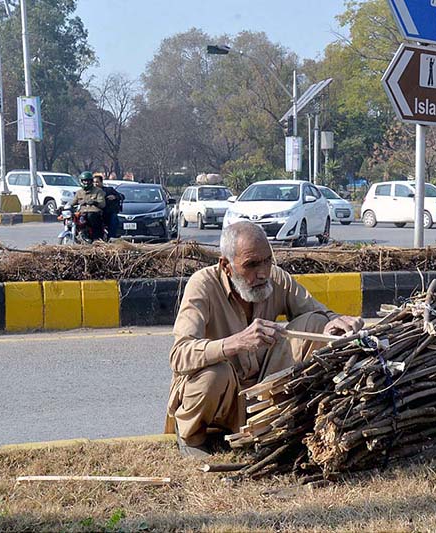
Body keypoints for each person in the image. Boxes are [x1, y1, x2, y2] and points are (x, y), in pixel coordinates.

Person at [167, 221, 364, 457]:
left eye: (267, 261)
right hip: (222, 394)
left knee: (315, 323)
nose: (262, 273)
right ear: (226, 266)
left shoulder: (276, 278)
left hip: (258, 393)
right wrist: (235, 342)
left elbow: (319, 314)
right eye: (250, 265)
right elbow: (179, 355)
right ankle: (196, 437)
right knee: (215, 374)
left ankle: (270, 423)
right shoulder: (203, 285)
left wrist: (336, 323)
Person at [71, 171, 106, 242]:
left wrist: (95, 202)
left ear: (91, 181)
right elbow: (73, 203)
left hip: (94, 213)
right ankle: (80, 234)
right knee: (73, 218)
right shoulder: (79, 192)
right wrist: (64, 207)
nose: (86, 182)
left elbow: (102, 204)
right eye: (84, 181)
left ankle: (97, 238)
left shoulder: (98, 191)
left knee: (91, 216)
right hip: (82, 213)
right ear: (81, 181)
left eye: (88, 181)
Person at [93, 174, 123, 239]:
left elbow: (121, 196)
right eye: (94, 182)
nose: (95, 184)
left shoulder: (109, 190)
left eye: (97, 182)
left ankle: (111, 237)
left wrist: (114, 197)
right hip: (94, 213)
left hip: (107, 213)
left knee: (114, 218)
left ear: (101, 182)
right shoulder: (91, 191)